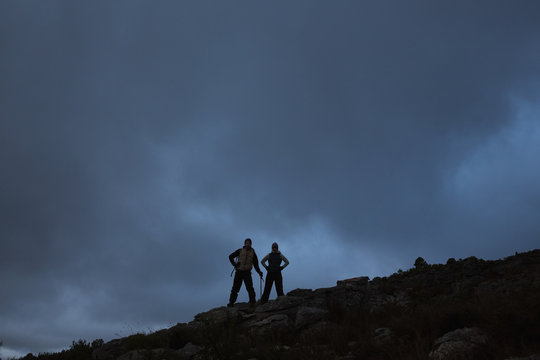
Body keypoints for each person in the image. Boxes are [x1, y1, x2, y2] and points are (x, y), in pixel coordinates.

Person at [228, 238, 263, 307]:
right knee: (235, 288)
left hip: (247, 272)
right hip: (239, 271)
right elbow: (230, 256)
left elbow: (256, 264)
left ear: (251, 244)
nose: (247, 244)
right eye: (246, 243)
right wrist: (235, 264)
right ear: (244, 244)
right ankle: (231, 303)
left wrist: (259, 272)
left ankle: (252, 302)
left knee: (250, 288)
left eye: (249, 243)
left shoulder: (253, 253)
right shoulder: (240, 251)